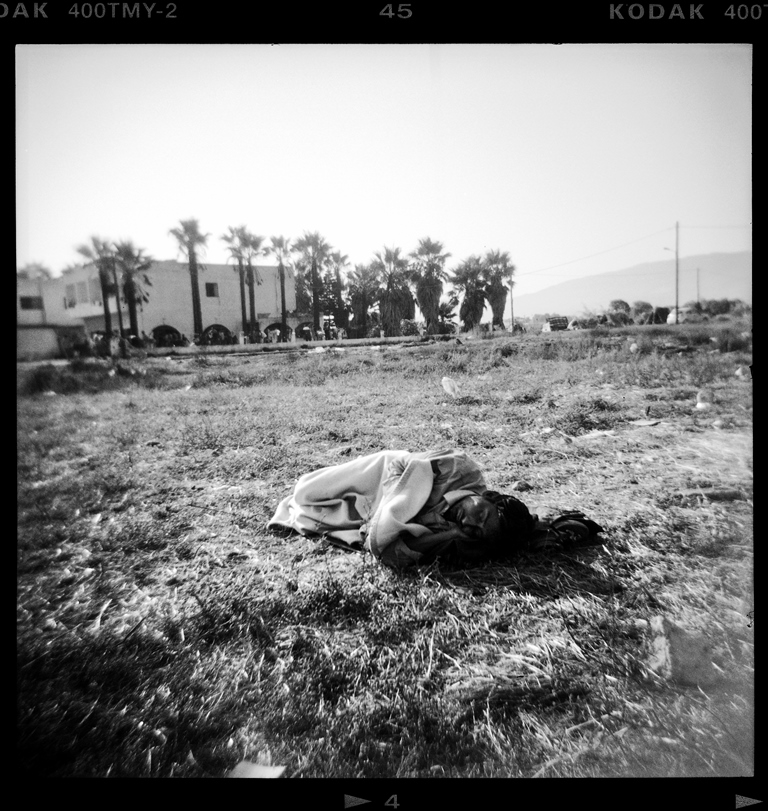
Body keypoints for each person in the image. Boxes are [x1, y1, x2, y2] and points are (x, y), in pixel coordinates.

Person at [268, 449, 602, 568]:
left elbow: (395, 547)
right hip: (389, 474)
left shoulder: (465, 536)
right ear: (489, 496)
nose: (469, 520)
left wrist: (456, 532)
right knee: (306, 490)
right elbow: (415, 468)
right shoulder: (464, 472)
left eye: (474, 529)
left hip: (375, 513)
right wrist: (397, 500)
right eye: (479, 513)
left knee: (322, 514)